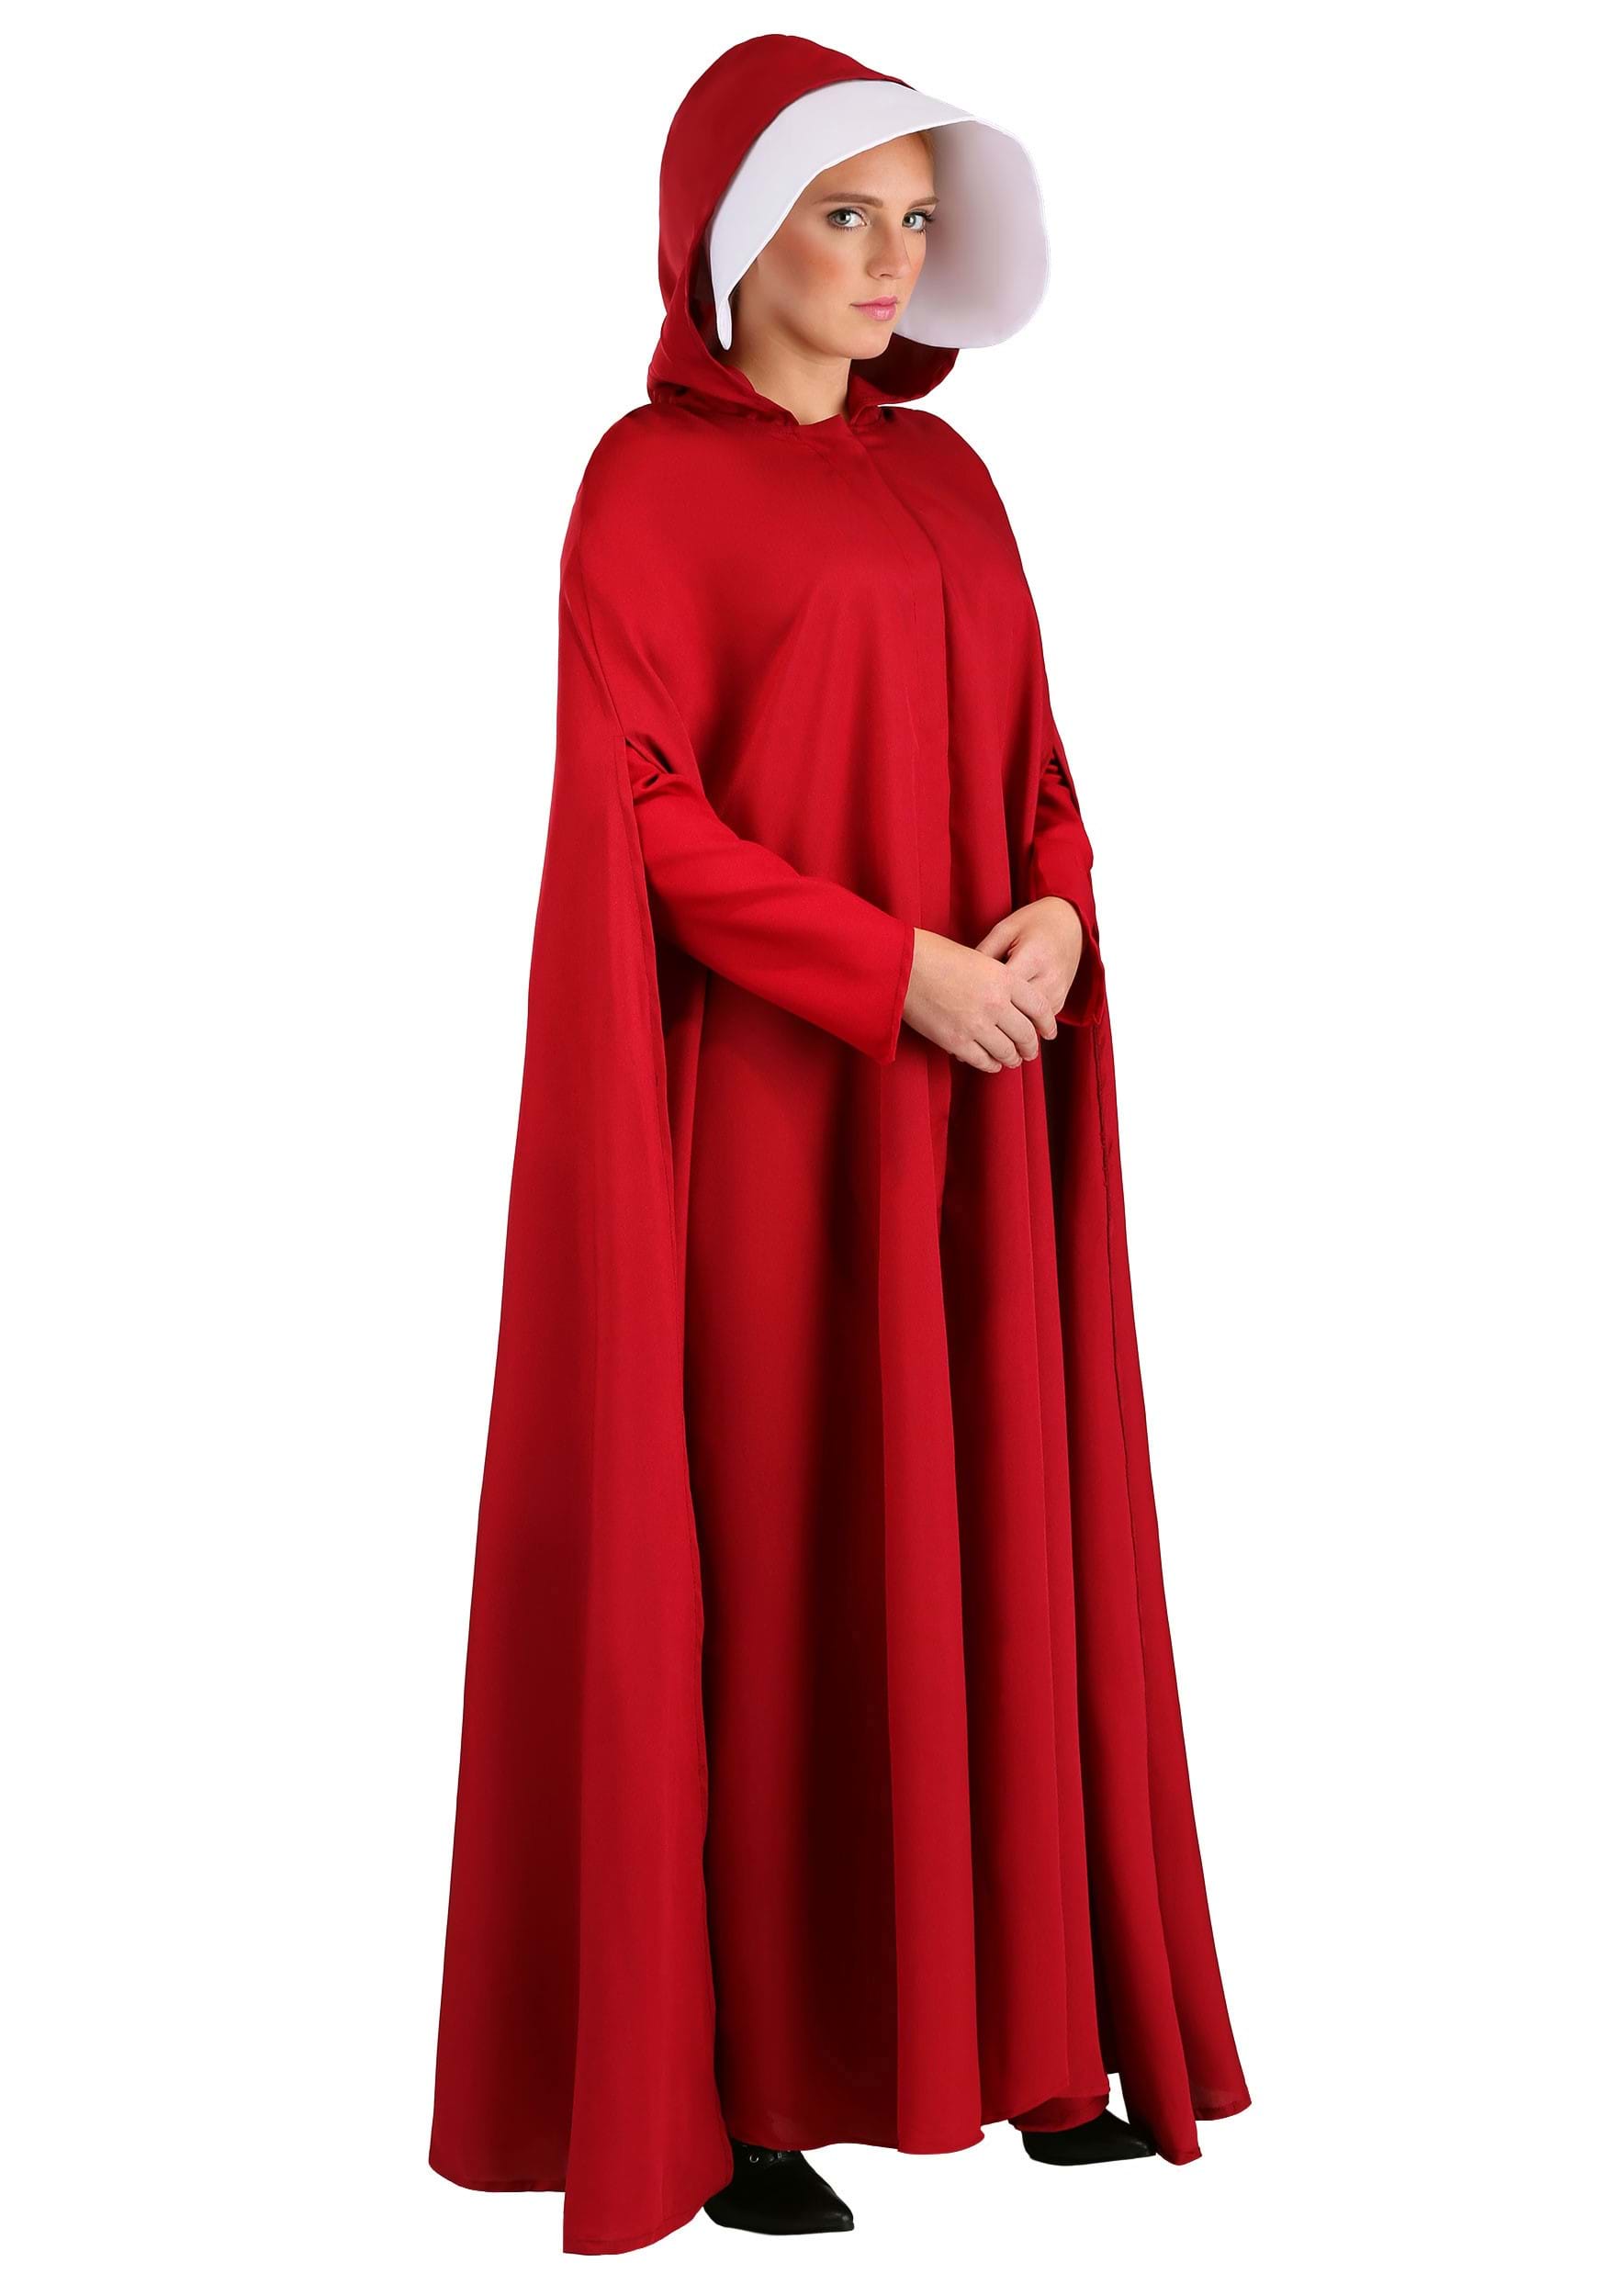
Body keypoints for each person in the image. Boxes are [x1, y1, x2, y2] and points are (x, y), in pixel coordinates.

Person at [430, 34, 1251, 2257]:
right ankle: (752, 2088)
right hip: (781, 1127)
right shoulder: (639, 487)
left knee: (994, 1531)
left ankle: (1027, 2041)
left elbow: (1035, 757)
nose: (887, 260)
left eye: (910, 219)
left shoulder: (953, 480)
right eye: (840, 216)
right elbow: (642, 812)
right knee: (783, 1549)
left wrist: (1055, 908)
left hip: (979, 1111)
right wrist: (893, 973)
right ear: (731, 240)